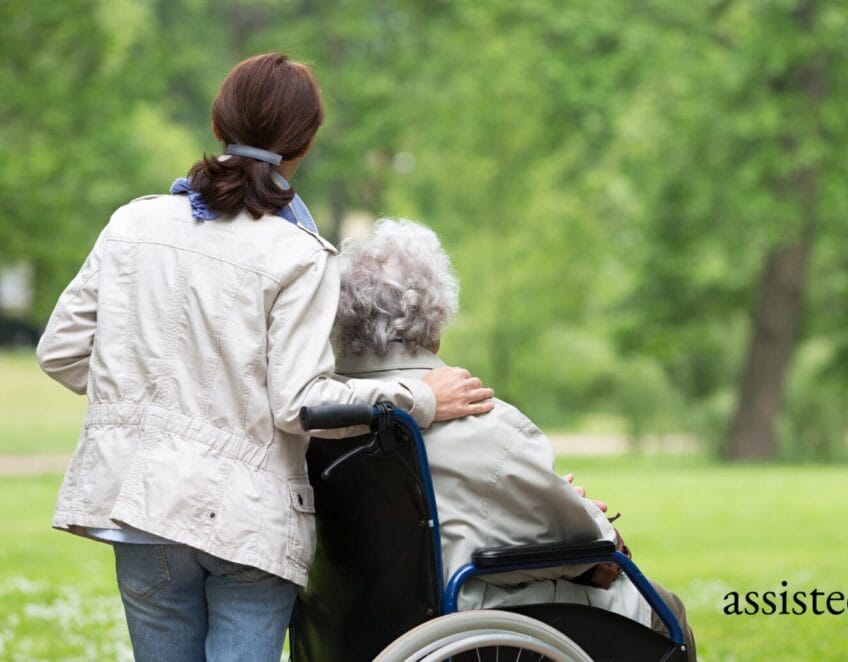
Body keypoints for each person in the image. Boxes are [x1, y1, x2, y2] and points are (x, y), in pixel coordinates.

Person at [36, 53, 492, 662]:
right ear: (303, 145)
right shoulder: (300, 253)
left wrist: (151, 396)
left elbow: (61, 352)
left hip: (139, 505)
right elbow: (298, 403)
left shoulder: (131, 223)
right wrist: (423, 399)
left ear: (218, 121)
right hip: (244, 520)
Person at [332, 218, 696, 658]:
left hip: (354, 625)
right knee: (665, 610)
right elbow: (591, 553)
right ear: (435, 319)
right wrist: (584, 520)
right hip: (466, 621)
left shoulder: (326, 417)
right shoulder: (483, 423)